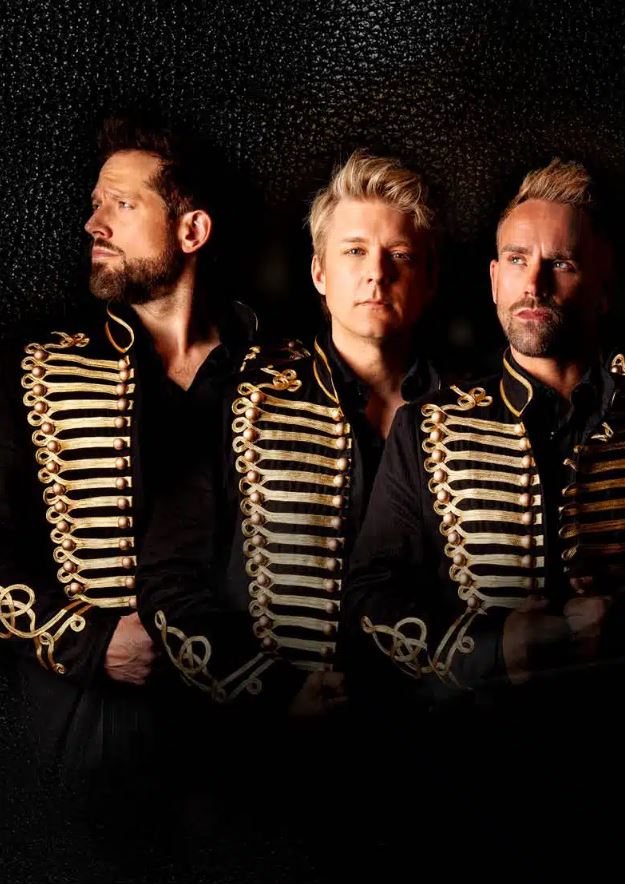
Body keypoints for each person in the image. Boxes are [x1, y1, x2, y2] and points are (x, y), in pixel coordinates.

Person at [342, 157, 625, 702]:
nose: (534, 284)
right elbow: (370, 595)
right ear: (494, 280)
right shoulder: (426, 425)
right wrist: (494, 648)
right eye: (516, 259)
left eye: (562, 263)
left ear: (604, 285)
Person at [136, 149, 440, 717]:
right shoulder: (239, 396)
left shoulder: (467, 411)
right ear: (319, 273)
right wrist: (273, 691)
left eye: (400, 255)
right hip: (269, 733)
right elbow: (169, 580)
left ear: (429, 279)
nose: (377, 273)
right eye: (354, 251)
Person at [0, 116, 256, 777]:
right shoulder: (40, 371)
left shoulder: (274, 371)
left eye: (122, 204)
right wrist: (90, 642)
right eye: (95, 205)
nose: (95, 224)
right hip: (86, 733)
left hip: (251, 740)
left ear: (191, 231)